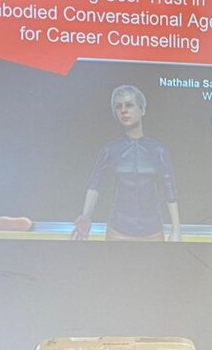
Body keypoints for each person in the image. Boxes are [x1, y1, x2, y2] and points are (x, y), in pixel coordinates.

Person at [71, 84, 182, 241]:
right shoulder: (110, 149)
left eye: (129, 105)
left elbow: (169, 188)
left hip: (152, 232)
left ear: (142, 110)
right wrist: (86, 216)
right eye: (118, 107)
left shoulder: (158, 150)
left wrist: (176, 230)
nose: (123, 110)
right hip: (118, 231)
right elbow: (95, 184)